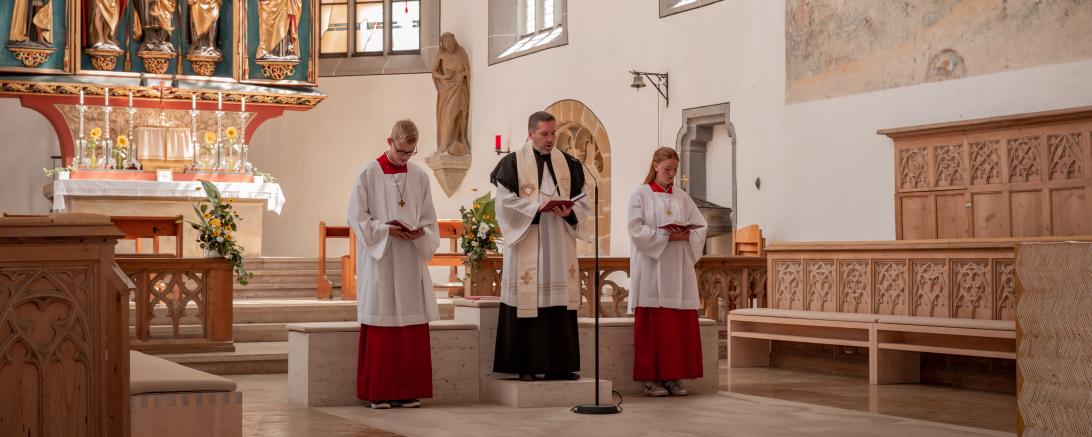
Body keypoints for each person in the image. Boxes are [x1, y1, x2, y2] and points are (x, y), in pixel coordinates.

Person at [489, 111, 590, 381]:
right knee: (529, 298)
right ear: (531, 132)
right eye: (544, 133)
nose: (550, 139)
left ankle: (560, 365)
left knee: (557, 301)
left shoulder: (569, 163)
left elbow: (583, 199)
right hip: (528, 240)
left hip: (558, 241)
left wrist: (568, 211)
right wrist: (537, 208)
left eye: (553, 133)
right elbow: (504, 203)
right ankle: (527, 365)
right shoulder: (512, 163)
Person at [347, 119, 440, 408]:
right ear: (390, 141)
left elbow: (429, 218)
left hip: (409, 257)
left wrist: (418, 232)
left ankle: (407, 391)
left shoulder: (420, 176)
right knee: (382, 322)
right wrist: (387, 229)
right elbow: (356, 217)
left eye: (410, 152)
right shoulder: (368, 172)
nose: (405, 157)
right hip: (383, 259)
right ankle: (379, 392)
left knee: (411, 324)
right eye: (401, 151)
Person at [627, 147, 707, 396]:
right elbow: (635, 229)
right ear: (655, 166)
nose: (671, 173)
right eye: (667, 169)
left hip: (678, 268)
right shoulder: (640, 194)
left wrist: (687, 234)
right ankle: (651, 380)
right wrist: (665, 236)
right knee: (654, 325)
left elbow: (701, 226)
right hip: (651, 267)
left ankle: (674, 377)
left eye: (674, 169)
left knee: (676, 326)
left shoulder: (682, 197)